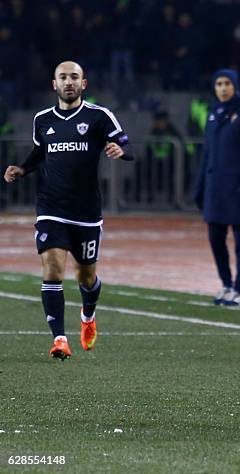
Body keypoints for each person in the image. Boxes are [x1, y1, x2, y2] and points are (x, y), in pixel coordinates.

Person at [3, 61, 133, 360]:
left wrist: (120, 150)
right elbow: (40, 153)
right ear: (54, 84)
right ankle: (60, 339)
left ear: (83, 83)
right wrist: (22, 169)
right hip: (51, 207)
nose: (69, 82)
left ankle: (87, 316)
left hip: (86, 211)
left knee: (86, 277)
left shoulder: (99, 116)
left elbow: (123, 140)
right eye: (63, 77)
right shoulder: (42, 119)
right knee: (52, 269)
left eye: (74, 77)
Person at [194, 69, 240, 307]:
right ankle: (226, 284)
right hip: (215, 188)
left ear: (235, 85)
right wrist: (199, 186)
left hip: (238, 187)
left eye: (227, 83)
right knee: (215, 238)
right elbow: (207, 154)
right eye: (219, 83)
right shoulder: (214, 113)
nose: (223, 88)